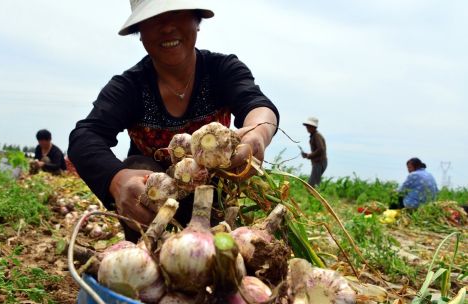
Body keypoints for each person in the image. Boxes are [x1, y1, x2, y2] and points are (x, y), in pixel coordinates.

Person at [68, 0, 279, 241]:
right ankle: (144, 252)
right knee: (138, 166)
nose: (167, 26)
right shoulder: (129, 87)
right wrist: (116, 180)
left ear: (196, 20)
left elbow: (257, 105)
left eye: (176, 12)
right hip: (152, 197)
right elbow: (85, 136)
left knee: (218, 247)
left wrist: (258, 134)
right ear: (140, 33)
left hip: (211, 192)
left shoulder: (222, 70)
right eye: (153, 18)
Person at [301, 117, 327, 187]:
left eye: (308, 126)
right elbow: (317, 150)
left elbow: (321, 149)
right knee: (314, 184)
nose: (307, 128)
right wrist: (307, 155)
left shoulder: (316, 135)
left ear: (313, 127)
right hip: (317, 162)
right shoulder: (314, 136)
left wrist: (309, 156)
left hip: (319, 162)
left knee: (312, 185)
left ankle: (316, 197)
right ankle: (315, 197)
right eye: (307, 126)